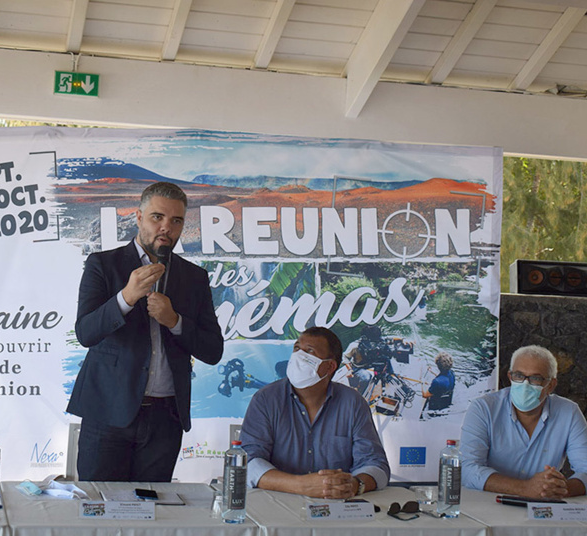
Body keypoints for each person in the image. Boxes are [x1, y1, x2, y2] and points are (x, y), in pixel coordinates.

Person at [67, 181, 223, 482]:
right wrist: (126, 297)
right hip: (107, 412)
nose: (166, 227)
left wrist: (174, 320)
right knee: (98, 512)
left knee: (152, 514)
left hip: (165, 419)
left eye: (176, 221)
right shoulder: (103, 265)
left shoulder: (194, 277)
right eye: (157, 217)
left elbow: (213, 350)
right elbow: (86, 333)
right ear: (138, 218)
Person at [240, 327, 390, 498]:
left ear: (330, 366)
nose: (298, 356)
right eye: (297, 349)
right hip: (277, 504)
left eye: (309, 351)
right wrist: (300, 485)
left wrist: (355, 485)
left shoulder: (352, 403)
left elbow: (376, 464)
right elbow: (248, 462)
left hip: (337, 506)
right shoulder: (266, 399)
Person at [460, 345, 587, 498]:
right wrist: (525, 488)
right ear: (510, 376)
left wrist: (557, 489)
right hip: (487, 507)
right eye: (519, 376)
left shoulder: (569, 412)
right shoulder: (483, 408)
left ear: (550, 385)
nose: (525, 384)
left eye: (535, 378)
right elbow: (468, 469)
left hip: (544, 509)